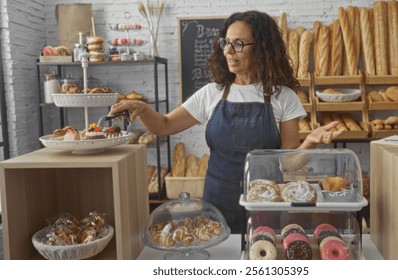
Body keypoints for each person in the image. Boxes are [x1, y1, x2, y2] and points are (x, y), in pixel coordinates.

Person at [110, 10, 344, 233]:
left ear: (261, 49)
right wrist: (143, 110)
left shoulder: (283, 96)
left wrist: (310, 142)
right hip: (217, 201)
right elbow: (163, 126)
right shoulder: (212, 93)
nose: (229, 51)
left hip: (265, 200)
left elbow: (289, 161)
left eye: (238, 44)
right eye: (226, 43)